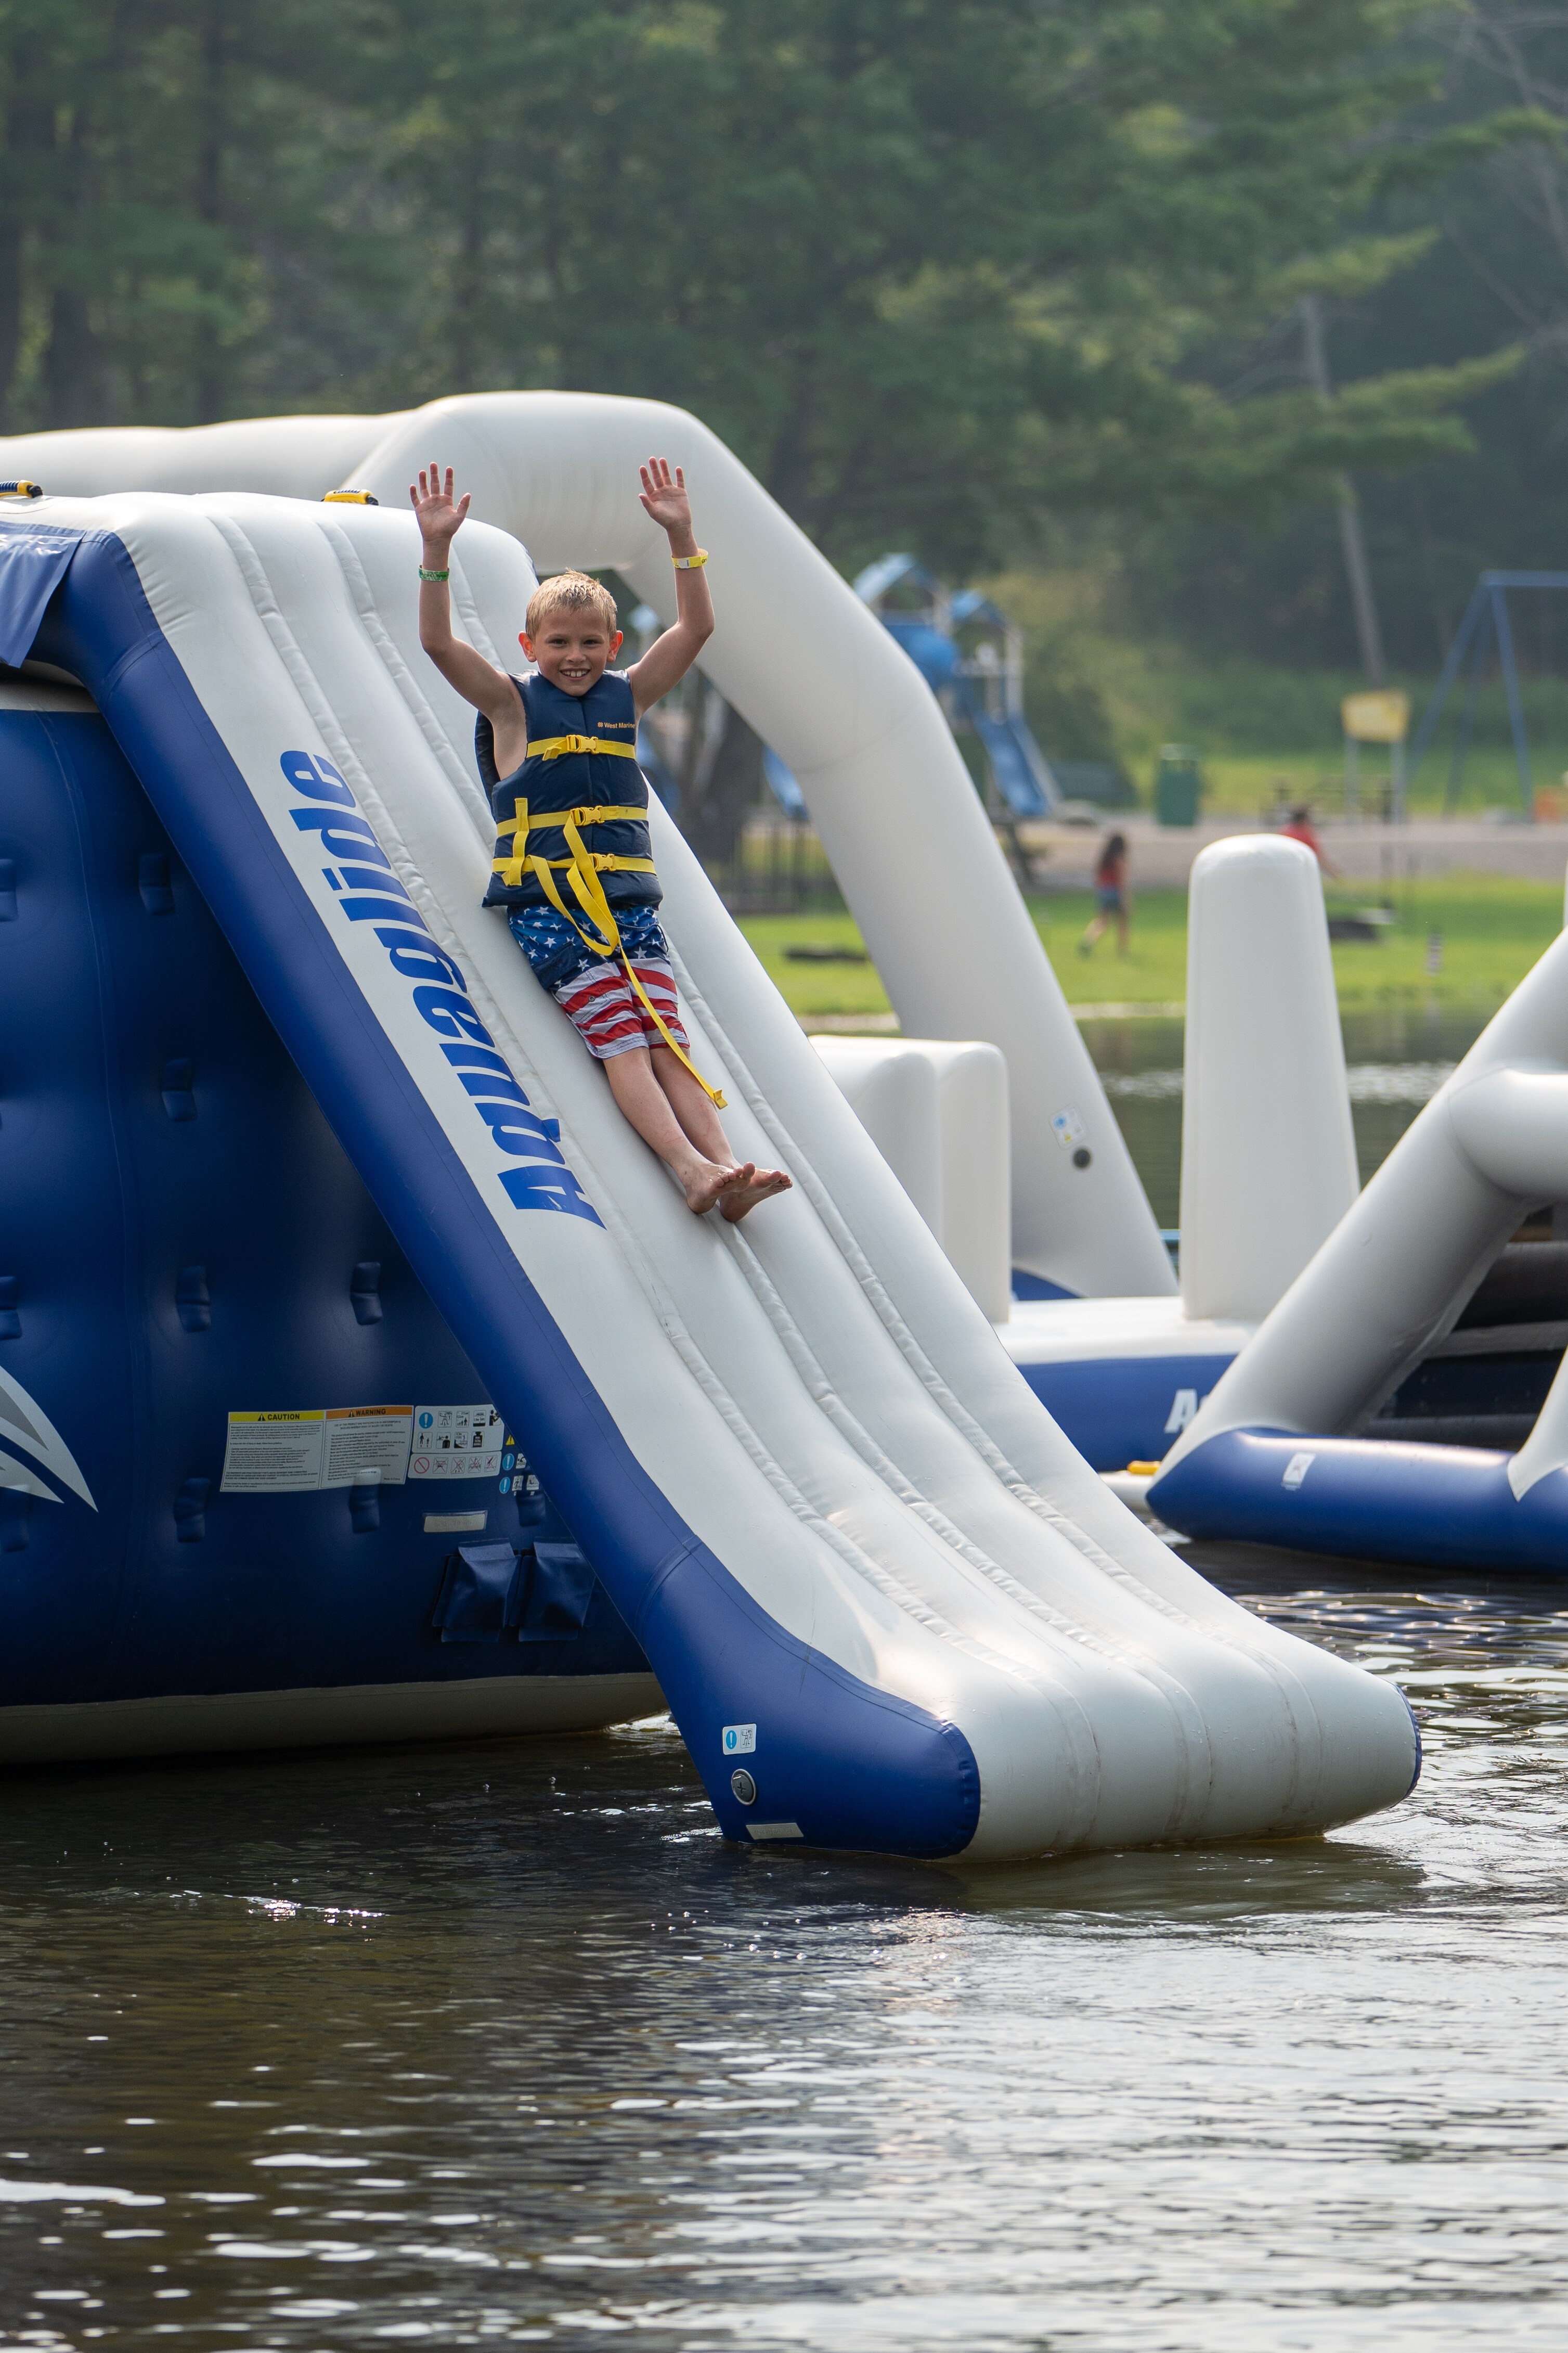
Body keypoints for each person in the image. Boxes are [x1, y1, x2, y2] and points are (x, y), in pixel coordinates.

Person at [411, 454, 791, 1222]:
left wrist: (680, 534)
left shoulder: (630, 697)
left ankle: (727, 1168)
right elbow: (440, 648)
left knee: (665, 1034)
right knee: (621, 1035)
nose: (575, 656)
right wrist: (436, 552)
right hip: (550, 905)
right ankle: (688, 1168)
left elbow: (696, 627)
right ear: (529, 646)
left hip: (626, 903)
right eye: (558, 643)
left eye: (590, 641)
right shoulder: (512, 709)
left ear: (614, 646)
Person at [1079, 831, 1130, 957]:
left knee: (1102, 922)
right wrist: (1126, 899)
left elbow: (1098, 877)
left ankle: (1088, 941)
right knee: (1123, 922)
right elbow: (1122, 880)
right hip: (1115, 892)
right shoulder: (1119, 859)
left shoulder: (1105, 859)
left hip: (1104, 892)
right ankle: (1122, 951)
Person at [1279, 801, 1342, 880]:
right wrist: (1336, 875)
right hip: (1299, 870)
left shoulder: (1285, 831)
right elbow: (1319, 858)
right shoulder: (1305, 834)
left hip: (1284, 869)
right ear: (1305, 819)